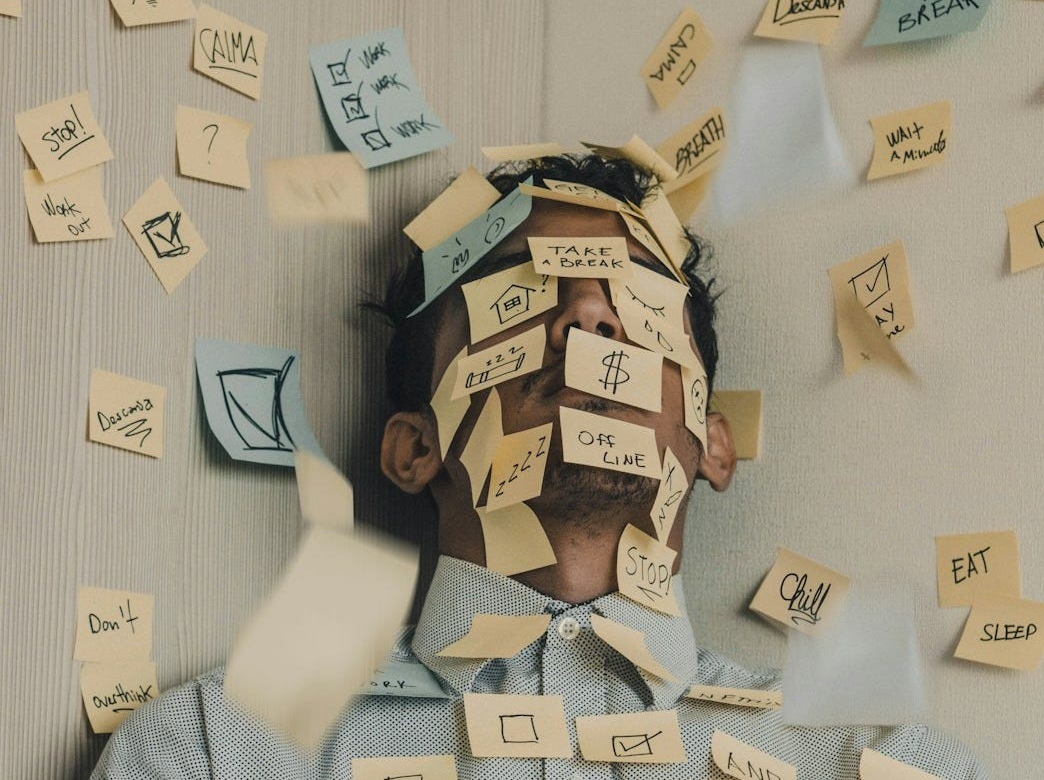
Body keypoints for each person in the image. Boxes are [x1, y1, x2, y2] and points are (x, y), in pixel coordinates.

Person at [91, 155, 985, 779]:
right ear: (414, 448)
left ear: (711, 441)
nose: (587, 319)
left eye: (635, 301)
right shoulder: (216, 755)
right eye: (523, 291)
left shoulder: (880, 766)